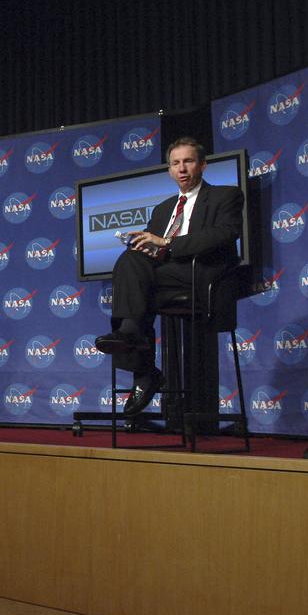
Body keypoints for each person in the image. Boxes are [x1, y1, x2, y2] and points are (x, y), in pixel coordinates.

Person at [94, 136, 244, 416]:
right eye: (175, 163)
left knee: (137, 284)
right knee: (131, 258)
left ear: (202, 165)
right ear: (169, 171)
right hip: (167, 275)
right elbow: (154, 250)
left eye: (188, 161)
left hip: (203, 273)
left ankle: (141, 364)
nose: (182, 168)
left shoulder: (226, 195)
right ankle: (134, 342)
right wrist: (148, 246)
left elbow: (225, 234)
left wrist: (167, 244)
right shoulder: (163, 209)